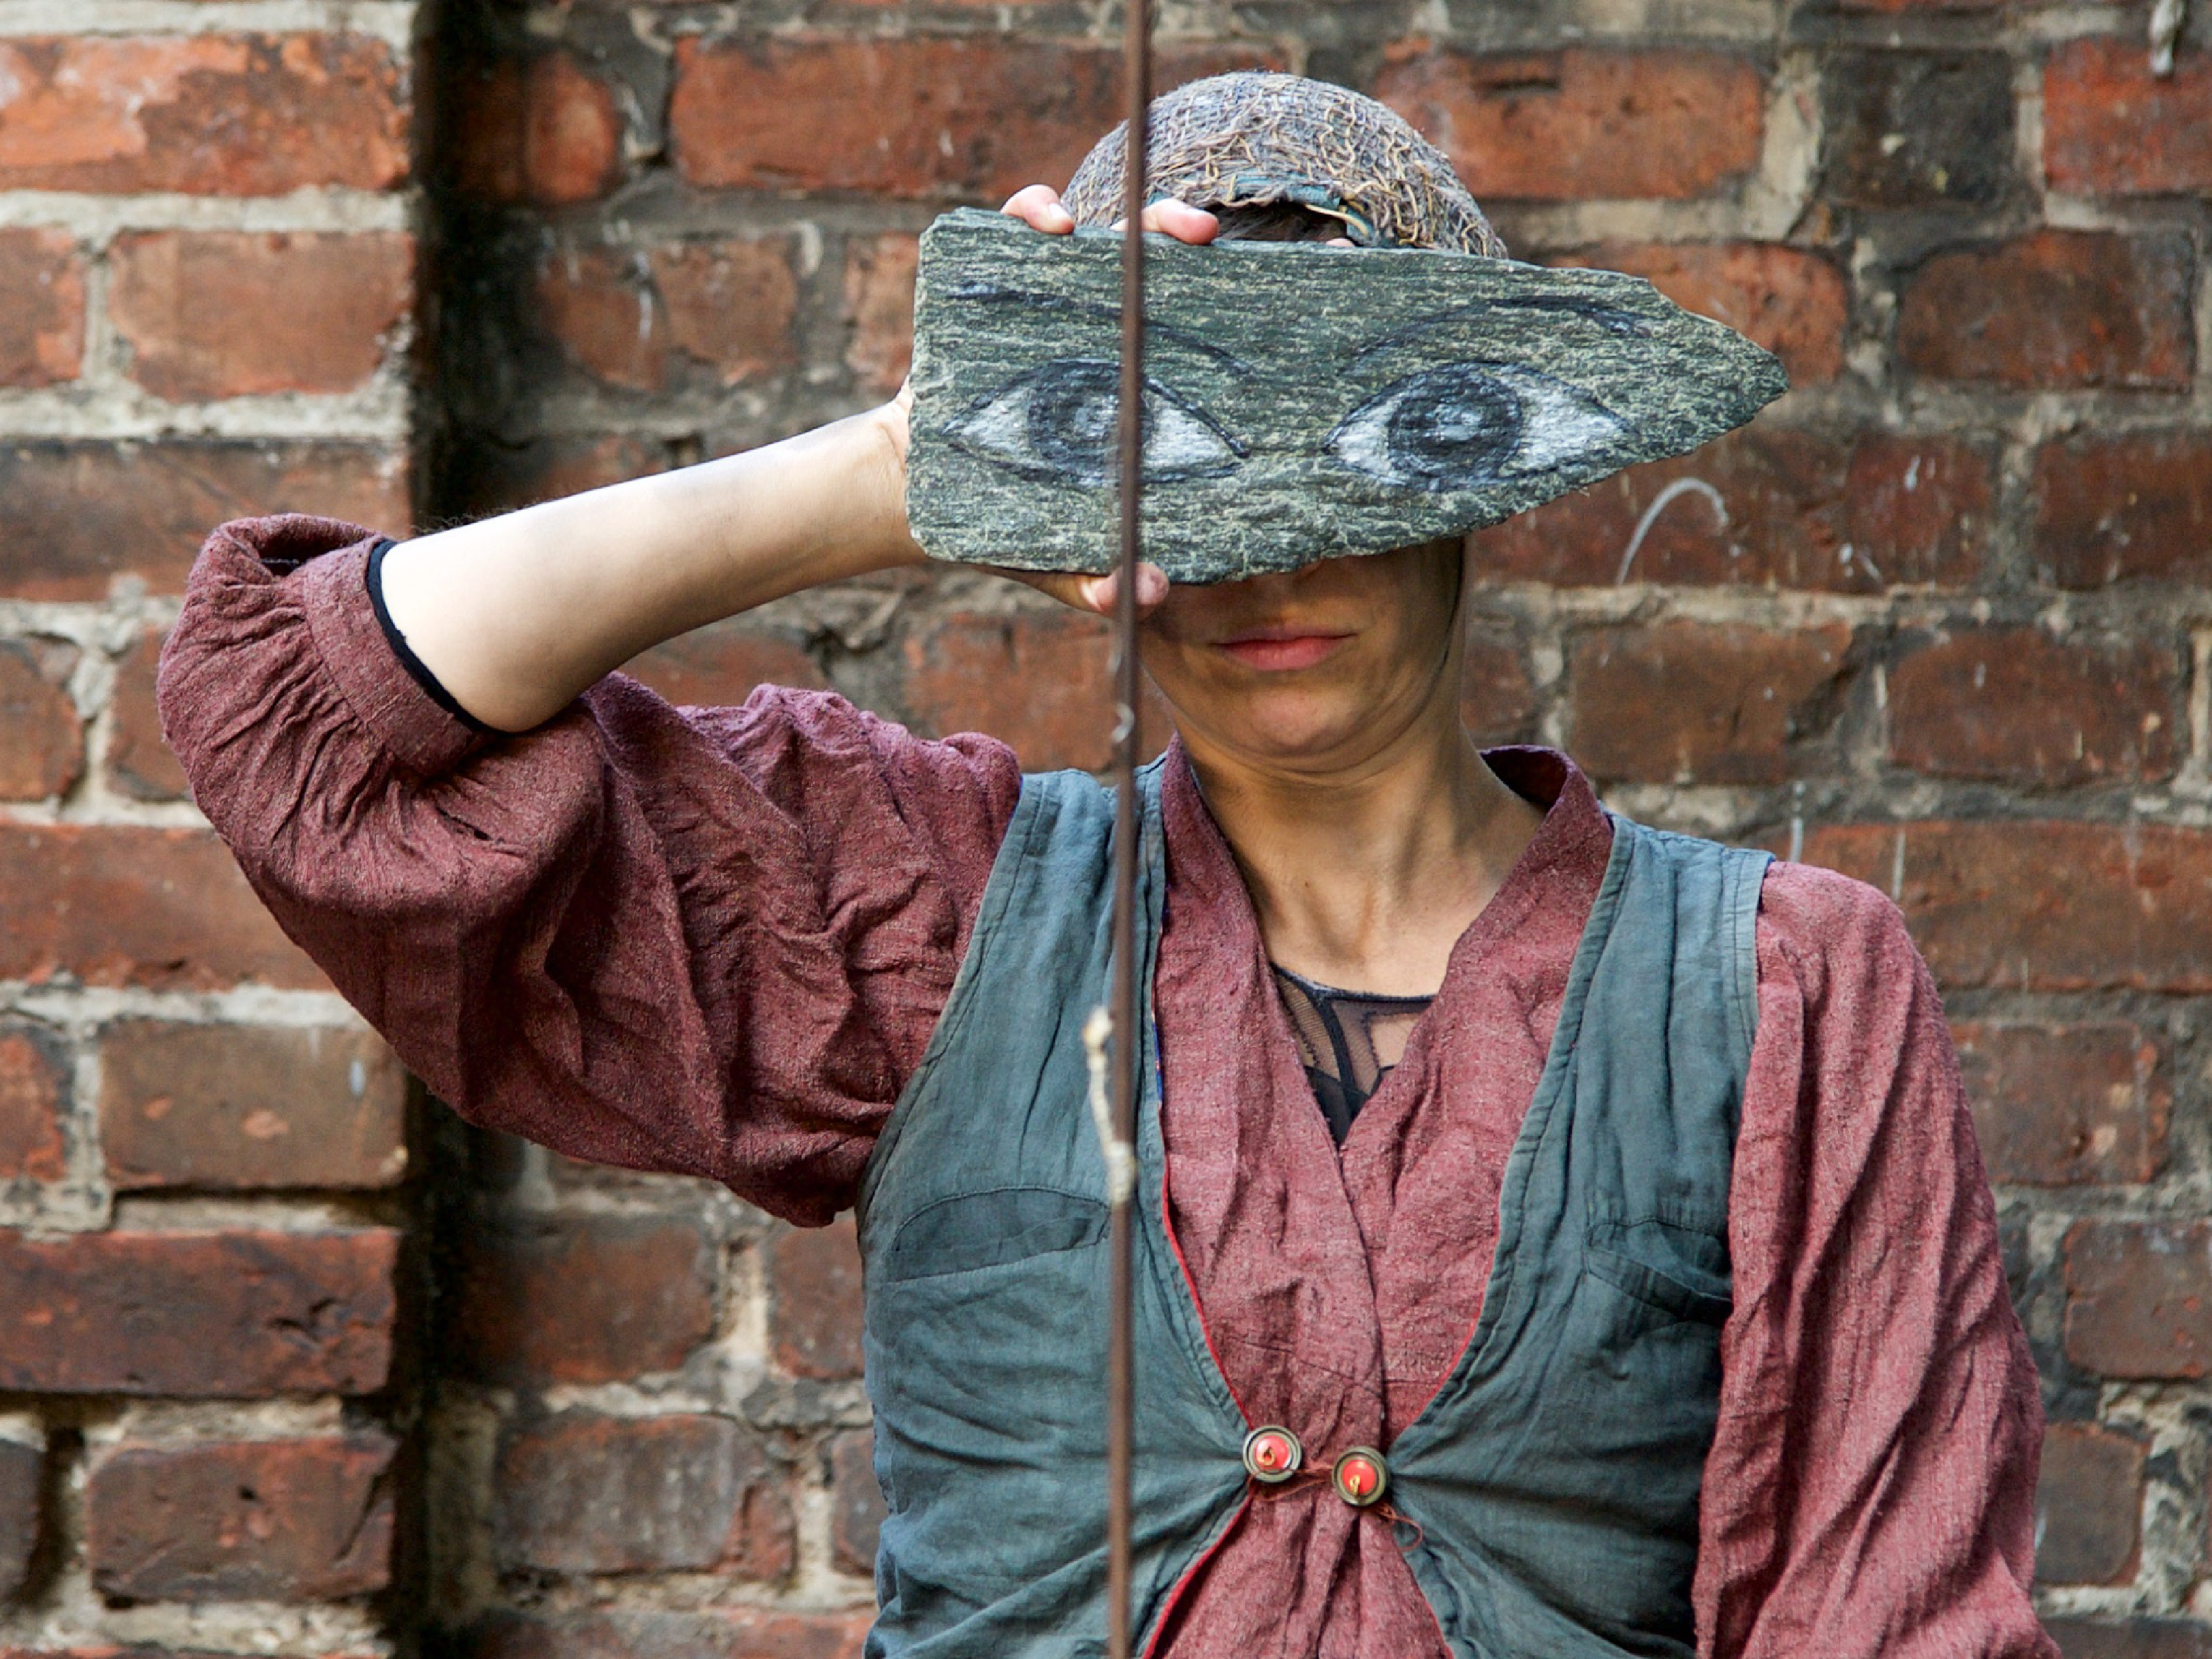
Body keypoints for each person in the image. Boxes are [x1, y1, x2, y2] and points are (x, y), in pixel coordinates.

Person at [158, 73, 2053, 1659]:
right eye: (1180, 466)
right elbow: (308, 731)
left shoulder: (1785, 982)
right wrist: (916, 456)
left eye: (1354, 466)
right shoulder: (931, 902)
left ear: (1479, 479)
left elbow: (1890, 1614)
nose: (1264, 565)